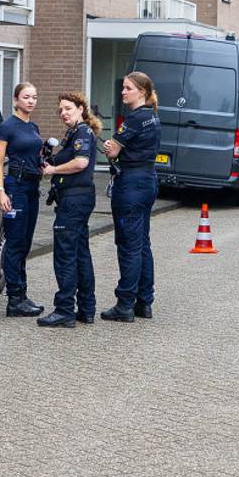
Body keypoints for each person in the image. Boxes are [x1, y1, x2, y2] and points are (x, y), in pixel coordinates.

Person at [100, 72, 162, 322]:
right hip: (148, 180)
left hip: (131, 185)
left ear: (142, 92)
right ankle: (144, 301)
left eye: (127, 88)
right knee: (142, 243)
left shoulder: (135, 119)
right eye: (123, 88)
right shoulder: (153, 117)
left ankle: (125, 304)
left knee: (129, 245)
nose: (123, 92)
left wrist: (108, 147)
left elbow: (113, 150)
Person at [37, 92, 102, 328]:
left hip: (75, 200)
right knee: (80, 253)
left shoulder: (82, 133)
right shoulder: (73, 133)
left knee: (65, 255)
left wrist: (53, 171)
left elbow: (81, 163)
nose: (63, 113)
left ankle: (64, 310)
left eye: (68, 108)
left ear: (81, 109)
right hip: (75, 199)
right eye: (61, 110)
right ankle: (86, 308)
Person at [0, 83, 46, 318]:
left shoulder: (32, 126)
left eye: (34, 97)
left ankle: (23, 295)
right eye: (26, 97)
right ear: (16, 100)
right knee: (14, 242)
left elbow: (35, 155)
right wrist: (1, 191)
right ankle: (14, 299)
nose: (31, 101)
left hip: (32, 187)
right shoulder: (7, 127)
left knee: (25, 242)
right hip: (15, 188)